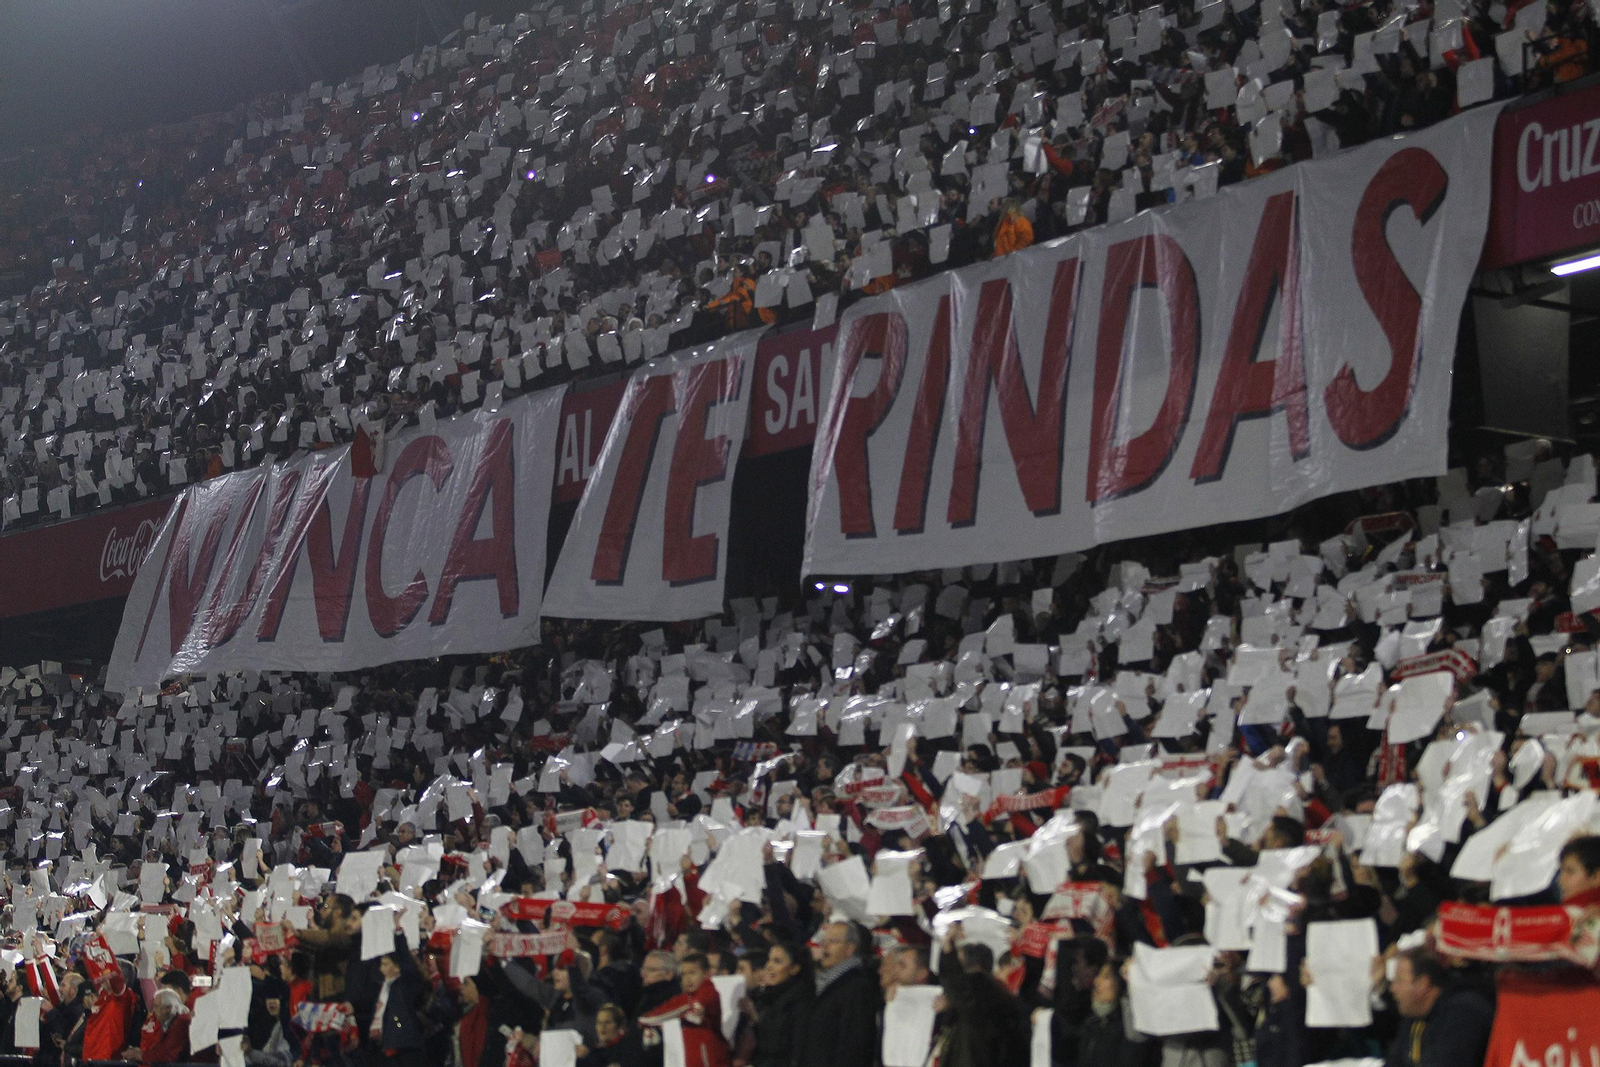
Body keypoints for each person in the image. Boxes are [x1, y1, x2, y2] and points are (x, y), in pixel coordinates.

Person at [1383, 948, 1493, 1067]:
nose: (1392, 988)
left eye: (1399, 981)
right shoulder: (1415, 1014)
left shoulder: (1464, 1014)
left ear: (1423, 983)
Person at [795, 923, 879, 1067]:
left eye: (833, 941)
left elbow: (854, 1045)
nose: (824, 946)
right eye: (824, 941)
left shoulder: (856, 987)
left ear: (850, 949)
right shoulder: (823, 983)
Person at [751, 940, 812, 1067]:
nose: (769, 966)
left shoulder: (801, 1001)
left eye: (777, 961)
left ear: (794, 969)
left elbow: (790, 1048)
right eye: (769, 960)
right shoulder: (767, 996)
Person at [141, 986, 193, 1066]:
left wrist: (141, 1056)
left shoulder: (181, 1023)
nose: (154, 1010)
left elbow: (167, 1055)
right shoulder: (170, 1022)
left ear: (169, 1008)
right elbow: (161, 1050)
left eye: (157, 1006)